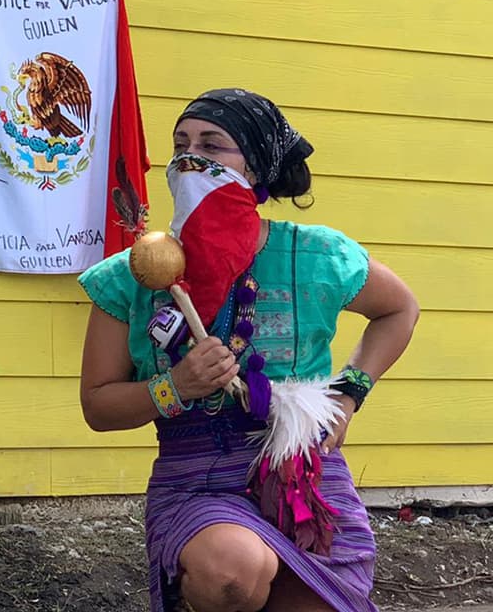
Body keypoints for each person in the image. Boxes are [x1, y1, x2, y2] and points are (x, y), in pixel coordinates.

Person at [78, 88, 419, 612]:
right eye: (181, 145)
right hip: (198, 477)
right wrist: (176, 386)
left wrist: (348, 397)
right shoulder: (134, 275)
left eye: (213, 146)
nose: (191, 159)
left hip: (302, 474)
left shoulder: (316, 254)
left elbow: (400, 310)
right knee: (232, 572)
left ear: (255, 169)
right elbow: (98, 407)